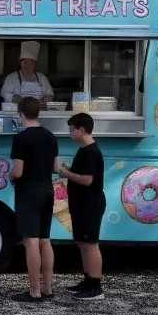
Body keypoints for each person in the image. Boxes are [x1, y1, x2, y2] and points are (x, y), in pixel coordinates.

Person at [9, 97, 58, 302]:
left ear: (21, 114)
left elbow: (18, 171)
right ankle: (47, 287)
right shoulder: (50, 136)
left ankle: (34, 290)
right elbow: (56, 167)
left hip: (28, 193)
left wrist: (10, 177)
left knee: (31, 241)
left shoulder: (21, 139)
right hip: (47, 190)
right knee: (45, 240)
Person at [57, 113, 106, 300]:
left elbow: (87, 180)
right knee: (83, 243)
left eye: (72, 129)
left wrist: (64, 173)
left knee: (91, 244)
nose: (70, 133)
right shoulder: (84, 150)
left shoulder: (91, 152)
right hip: (81, 203)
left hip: (90, 203)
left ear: (82, 130)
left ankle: (95, 286)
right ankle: (87, 280)